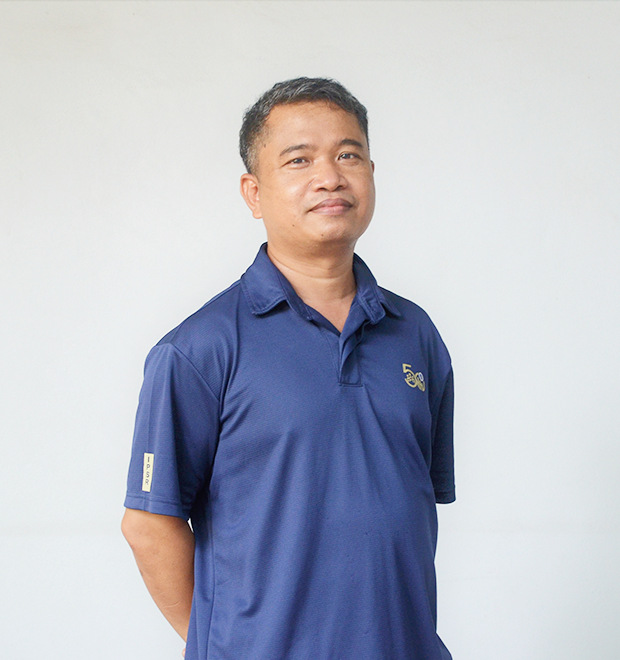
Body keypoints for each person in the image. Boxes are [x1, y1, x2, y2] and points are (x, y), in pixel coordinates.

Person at [122, 77, 455, 660]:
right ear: (253, 193)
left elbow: (410, 505)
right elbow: (148, 525)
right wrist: (231, 646)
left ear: (371, 173)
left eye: (348, 155)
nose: (330, 177)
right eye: (299, 160)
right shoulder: (200, 349)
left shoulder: (414, 334)